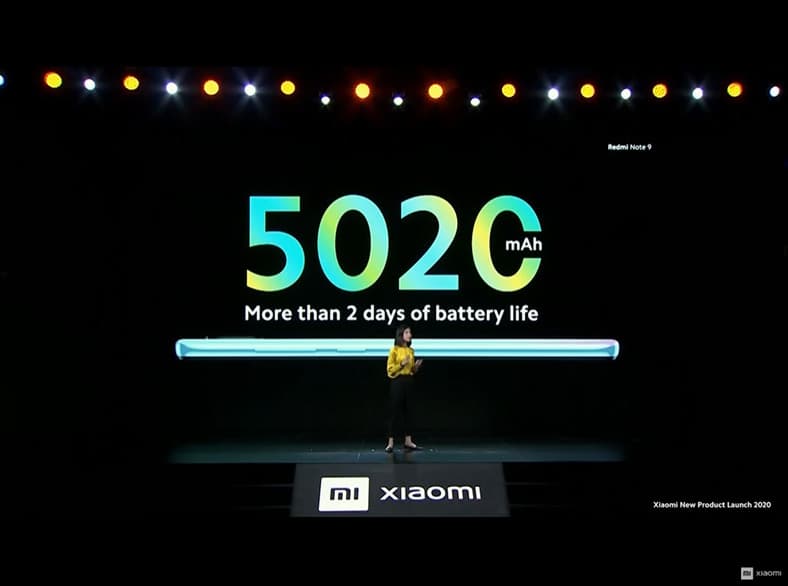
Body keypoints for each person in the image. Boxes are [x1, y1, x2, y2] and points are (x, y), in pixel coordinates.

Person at [385, 324, 423, 453]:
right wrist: (401, 364)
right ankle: (390, 442)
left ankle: (408, 441)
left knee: (409, 411)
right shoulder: (394, 350)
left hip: (409, 381)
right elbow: (389, 370)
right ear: (401, 335)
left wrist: (415, 367)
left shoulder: (411, 351)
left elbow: (411, 371)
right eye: (407, 332)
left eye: (410, 332)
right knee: (394, 412)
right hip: (397, 381)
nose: (410, 335)